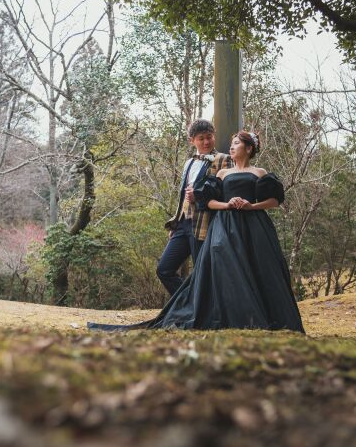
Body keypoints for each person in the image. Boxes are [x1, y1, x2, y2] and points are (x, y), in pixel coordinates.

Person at [88, 130, 304, 333]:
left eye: (236, 143)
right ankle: (210, 309)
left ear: (249, 148)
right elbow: (207, 202)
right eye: (231, 143)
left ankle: (261, 317)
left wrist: (251, 206)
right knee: (224, 269)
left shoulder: (260, 172)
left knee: (260, 270)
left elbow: (274, 201)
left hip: (255, 227)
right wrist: (228, 204)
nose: (231, 147)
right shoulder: (222, 173)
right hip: (225, 226)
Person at [157, 119, 233, 296]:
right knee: (164, 269)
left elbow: (228, 192)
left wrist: (199, 196)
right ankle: (187, 303)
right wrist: (176, 222)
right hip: (183, 224)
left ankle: (201, 308)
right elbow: (183, 195)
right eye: (201, 138)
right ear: (192, 141)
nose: (206, 142)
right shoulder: (189, 162)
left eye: (209, 137)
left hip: (206, 223)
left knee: (203, 273)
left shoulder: (224, 160)